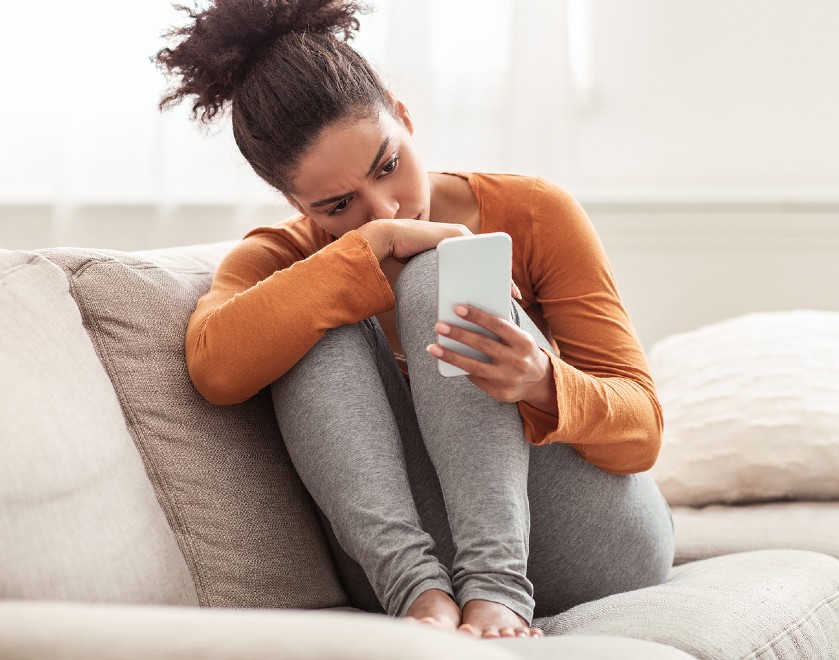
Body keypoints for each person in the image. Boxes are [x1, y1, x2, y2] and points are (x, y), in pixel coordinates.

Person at [156, 0, 674, 640]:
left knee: (438, 270)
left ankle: (498, 589)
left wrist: (542, 382)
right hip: (408, 565)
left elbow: (642, 429)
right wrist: (362, 253)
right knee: (311, 301)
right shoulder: (281, 256)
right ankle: (420, 597)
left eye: (388, 165)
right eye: (339, 204)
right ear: (293, 201)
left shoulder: (534, 211)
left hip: (587, 533)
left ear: (402, 117)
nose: (385, 207)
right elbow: (214, 369)